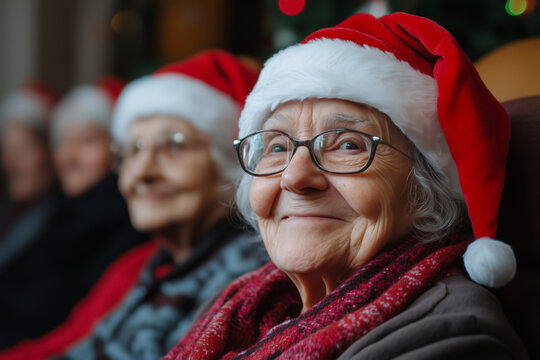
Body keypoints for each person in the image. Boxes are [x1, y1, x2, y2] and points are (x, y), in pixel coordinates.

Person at [165, 13, 528, 360]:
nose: (295, 177)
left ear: (425, 187)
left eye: (348, 145)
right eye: (277, 147)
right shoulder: (246, 301)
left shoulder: (450, 336)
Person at [58, 50, 268, 360]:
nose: (142, 173)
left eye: (174, 145)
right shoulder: (151, 267)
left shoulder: (253, 293)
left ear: (231, 165)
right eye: (133, 149)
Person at [0, 78, 148, 349]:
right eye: (62, 143)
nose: (68, 156)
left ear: (118, 149)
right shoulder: (61, 214)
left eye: (87, 142)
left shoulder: (127, 223)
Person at [0, 83, 59, 271]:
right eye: (7, 150)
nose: (11, 164)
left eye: (23, 150)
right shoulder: (11, 216)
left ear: (50, 152)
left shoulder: (61, 227)